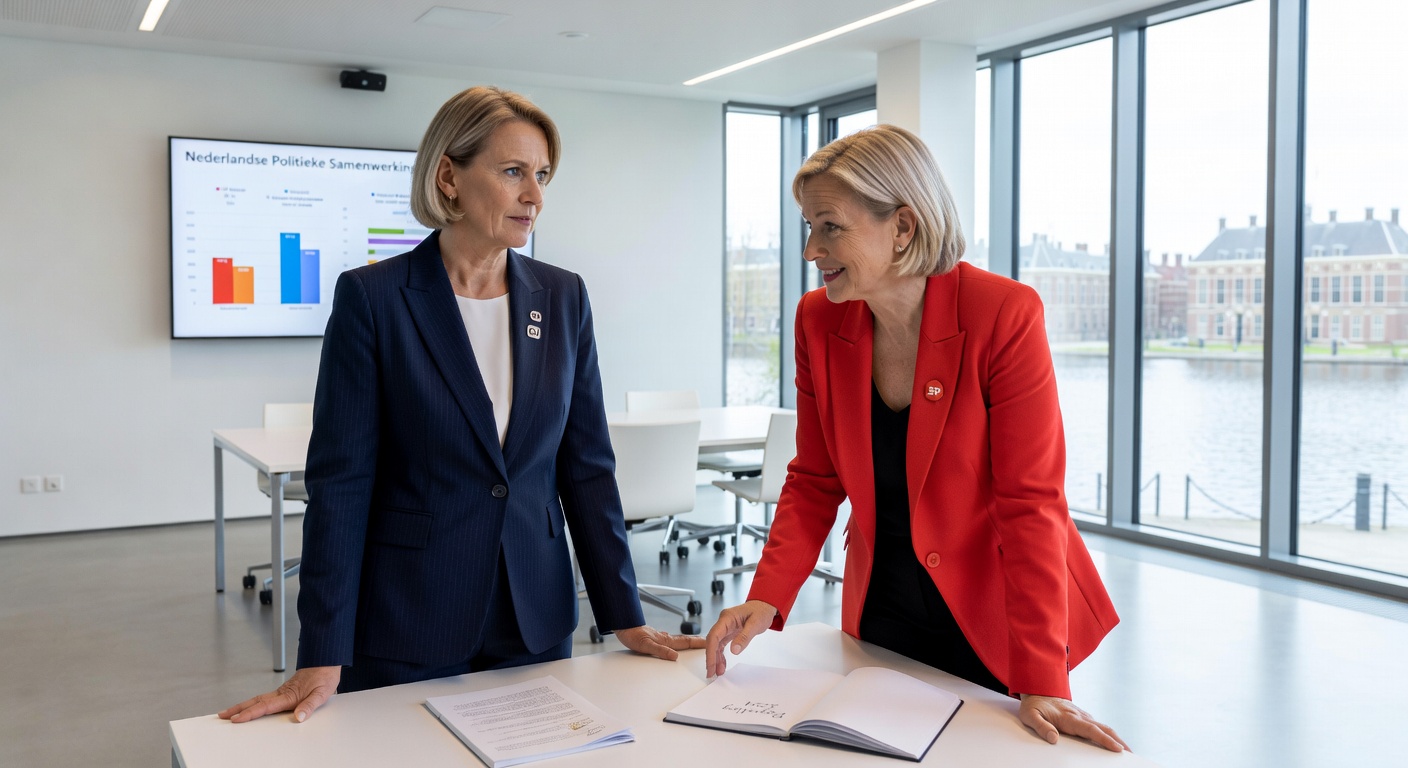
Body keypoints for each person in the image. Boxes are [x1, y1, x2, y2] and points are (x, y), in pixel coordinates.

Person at [221, 86, 702, 724]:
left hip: (534, 618)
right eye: (512, 172)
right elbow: (342, 485)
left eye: (542, 175)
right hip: (409, 621)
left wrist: (625, 616)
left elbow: (586, 467)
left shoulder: (563, 298)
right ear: (449, 175)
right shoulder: (375, 298)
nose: (535, 195)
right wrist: (322, 649)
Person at [704, 125, 1127, 752]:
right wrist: (767, 595)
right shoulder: (818, 320)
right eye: (808, 227)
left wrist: (1044, 676)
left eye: (829, 227)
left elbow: (1030, 504)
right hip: (884, 608)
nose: (810, 249)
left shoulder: (1004, 314)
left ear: (903, 226)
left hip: (996, 614)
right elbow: (816, 478)